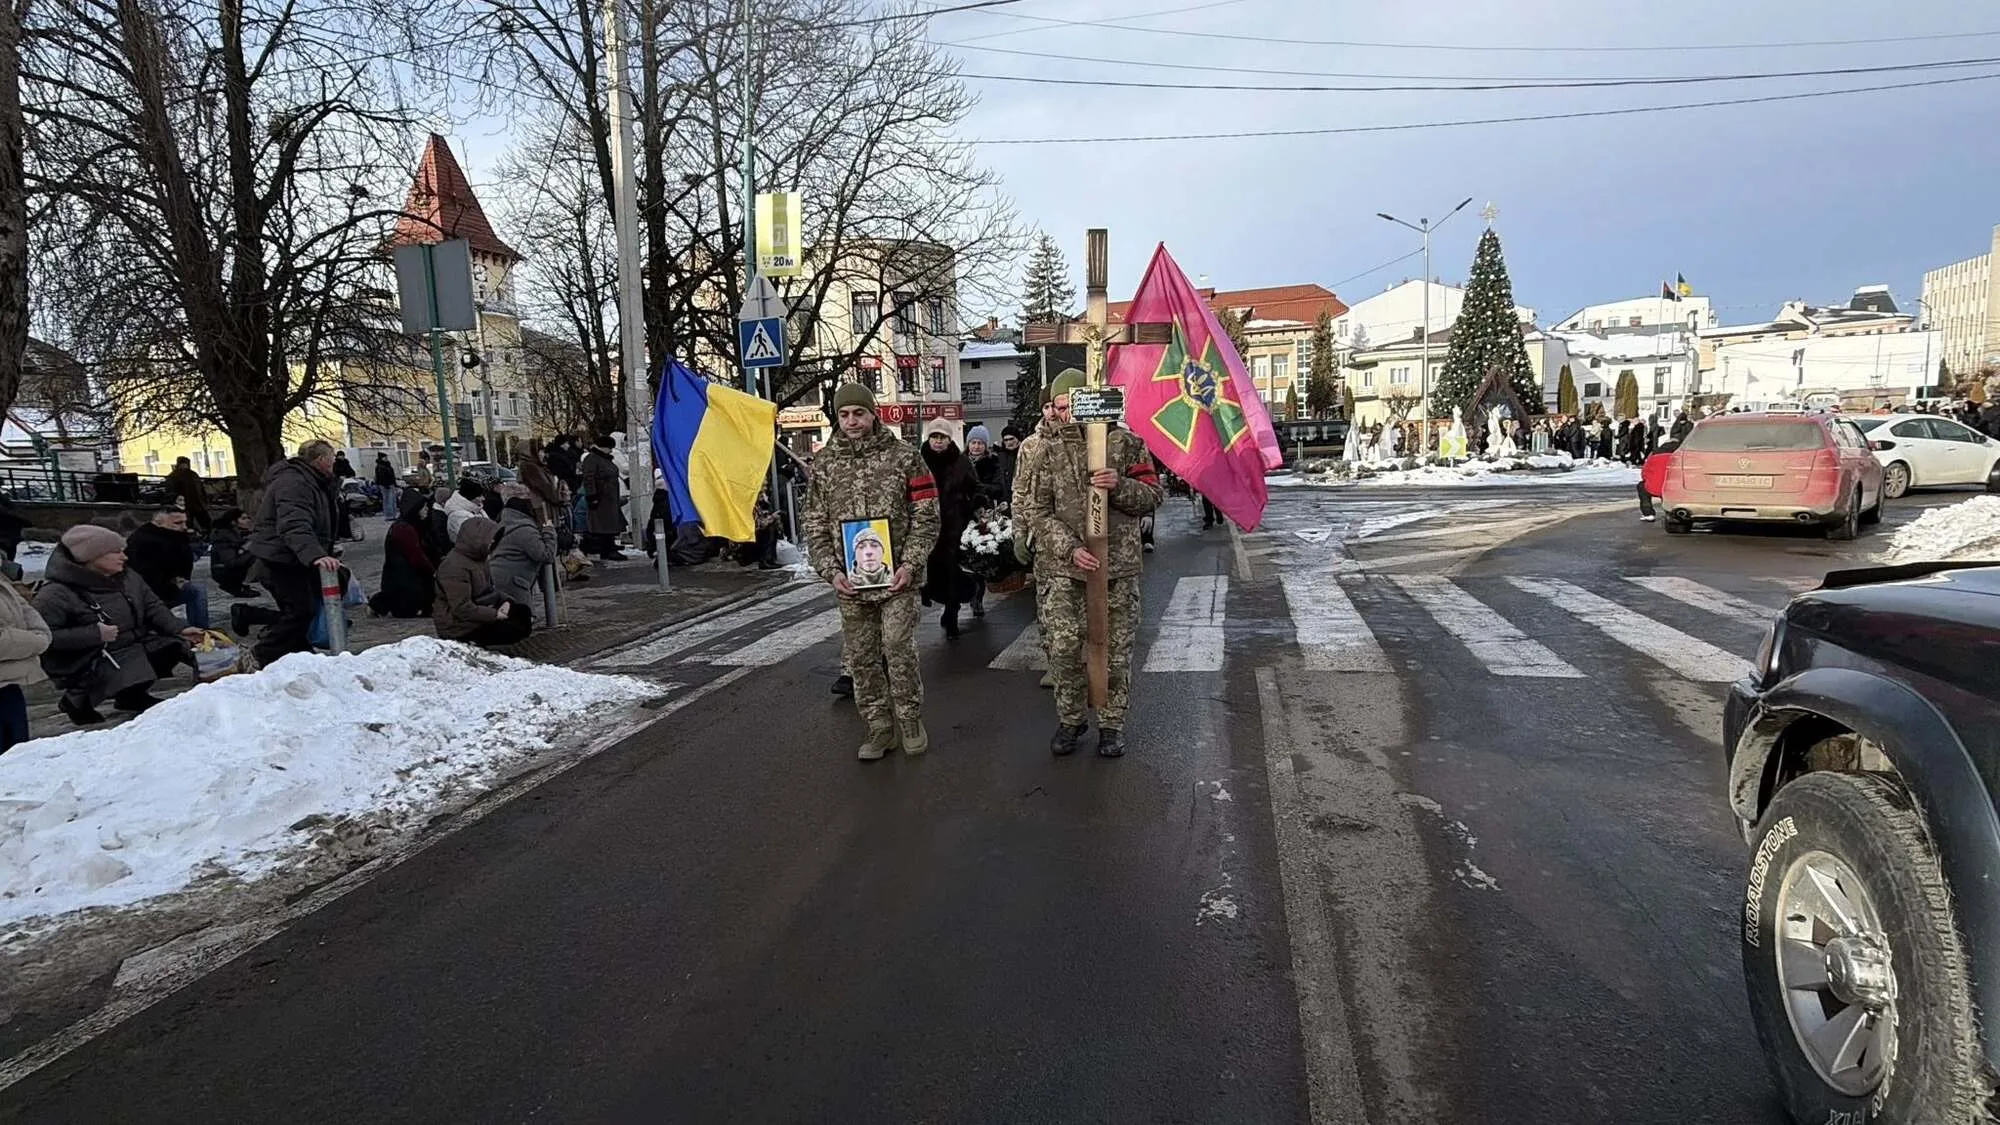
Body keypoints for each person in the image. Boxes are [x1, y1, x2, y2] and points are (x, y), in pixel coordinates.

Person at [1015, 369, 1163, 758]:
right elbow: (1037, 510)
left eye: (1069, 407)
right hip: (1066, 568)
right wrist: (1067, 548)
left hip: (1118, 567)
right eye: (1058, 408)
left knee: (1115, 650)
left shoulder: (1128, 445)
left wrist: (1122, 486)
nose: (1062, 415)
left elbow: (1152, 497)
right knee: (1063, 648)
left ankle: (1111, 725)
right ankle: (1071, 719)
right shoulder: (1048, 452)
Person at [804, 382, 940, 760]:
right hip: (852, 583)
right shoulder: (825, 465)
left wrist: (911, 565)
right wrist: (832, 572)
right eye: (844, 414)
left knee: (897, 648)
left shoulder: (905, 457)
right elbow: (814, 524)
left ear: (872, 413)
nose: (852, 421)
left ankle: (910, 719)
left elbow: (926, 515)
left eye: (858, 413)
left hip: (898, 578)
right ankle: (879, 728)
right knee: (861, 658)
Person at [35, 525, 203, 724]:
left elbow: (153, 606)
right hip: (86, 658)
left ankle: (131, 697)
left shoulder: (128, 576)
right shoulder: (55, 594)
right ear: (90, 557)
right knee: (131, 662)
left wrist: (180, 629)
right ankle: (77, 699)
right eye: (115, 552)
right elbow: (44, 638)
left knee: (173, 647)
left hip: (129, 643)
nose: (124, 557)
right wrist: (93, 634)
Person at [246, 439, 341, 669]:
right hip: (280, 557)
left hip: (290, 555)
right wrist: (315, 555)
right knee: (300, 610)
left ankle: (301, 654)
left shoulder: (309, 480)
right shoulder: (295, 482)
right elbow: (294, 524)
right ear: (320, 460)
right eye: (331, 459)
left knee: (302, 607)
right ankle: (260, 654)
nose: (333, 465)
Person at [919, 419, 980, 638]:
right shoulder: (919, 460)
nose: (937, 441)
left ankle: (951, 613)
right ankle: (934, 596)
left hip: (954, 526)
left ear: (949, 439)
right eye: (934, 437)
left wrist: (976, 507)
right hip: (926, 525)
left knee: (952, 571)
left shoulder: (961, 462)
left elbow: (974, 488)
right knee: (933, 570)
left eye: (942, 437)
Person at [433, 516, 531, 647]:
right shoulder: (454, 567)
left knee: (522, 612)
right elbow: (462, 608)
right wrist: (495, 614)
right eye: (491, 539)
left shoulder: (479, 559)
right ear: (477, 540)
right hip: (458, 626)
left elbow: (489, 591)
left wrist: (506, 601)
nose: (493, 542)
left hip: (479, 612)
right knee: (514, 628)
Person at [125, 507, 210, 629]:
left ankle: (201, 631)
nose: (184, 526)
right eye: (178, 523)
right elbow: (146, 574)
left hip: (169, 585)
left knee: (197, 590)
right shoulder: (143, 541)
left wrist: (181, 579)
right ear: (159, 522)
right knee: (196, 591)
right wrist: (171, 583)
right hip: (149, 592)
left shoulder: (175, 536)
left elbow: (184, 562)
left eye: (185, 522)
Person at [0, 556, 49, 751]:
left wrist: (39, 636)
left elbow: (28, 613)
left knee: (17, 758)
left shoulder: (3, 580)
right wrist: (37, 640)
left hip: (9, 686)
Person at [489, 484, 557, 623]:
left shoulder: (502, 521)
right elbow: (546, 555)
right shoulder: (523, 528)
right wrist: (549, 532)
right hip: (514, 582)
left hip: (500, 578)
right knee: (520, 623)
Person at [369, 490, 439, 619]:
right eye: (423, 507)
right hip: (405, 579)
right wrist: (432, 571)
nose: (427, 510)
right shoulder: (404, 529)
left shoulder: (409, 526)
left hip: (400, 577)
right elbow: (416, 557)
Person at [580, 435, 626, 560]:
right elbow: (589, 479)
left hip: (608, 497)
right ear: (602, 447)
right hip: (601, 498)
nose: (611, 451)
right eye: (609, 448)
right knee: (604, 524)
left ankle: (610, 546)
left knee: (610, 523)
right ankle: (607, 549)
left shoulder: (603, 458)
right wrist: (592, 496)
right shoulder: (592, 459)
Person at [208, 508, 256, 596]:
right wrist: (250, 549)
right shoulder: (223, 536)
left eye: (248, 518)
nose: (248, 521)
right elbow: (230, 561)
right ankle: (233, 585)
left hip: (227, 569)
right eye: (243, 519)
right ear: (233, 522)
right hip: (223, 571)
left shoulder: (235, 534)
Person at [163, 457, 212, 534]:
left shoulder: (173, 476)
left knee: (186, 527)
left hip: (183, 505)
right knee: (207, 525)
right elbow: (201, 490)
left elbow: (170, 492)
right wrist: (205, 502)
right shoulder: (193, 474)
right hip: (198, 505)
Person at [441, 479, 485, 544]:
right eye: (479, 496)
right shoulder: (457, 515)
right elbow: (473, 537)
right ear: (470, 497)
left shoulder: (475, 507)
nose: (483, 498)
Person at [373, 452, 400, 521]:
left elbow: (392, 476)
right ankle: (389, 515)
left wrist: (394, 483)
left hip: (391, 484)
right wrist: (385, 484)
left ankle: (393, 514)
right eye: (385, 457)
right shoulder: (380, 467)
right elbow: (381, 477)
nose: (386, 458)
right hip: (385, 485)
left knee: (393, 500)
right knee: (388, 500)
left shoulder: (388, 465)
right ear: (381, 458)